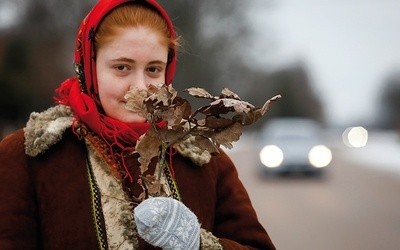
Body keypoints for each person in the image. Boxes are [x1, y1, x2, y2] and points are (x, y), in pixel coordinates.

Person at [0, 0, 276, 249]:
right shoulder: (28, 158)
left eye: (153, 69)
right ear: (89, 67)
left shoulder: (203, 159)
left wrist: (198, 244)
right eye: (122, 67)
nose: (141, 88)